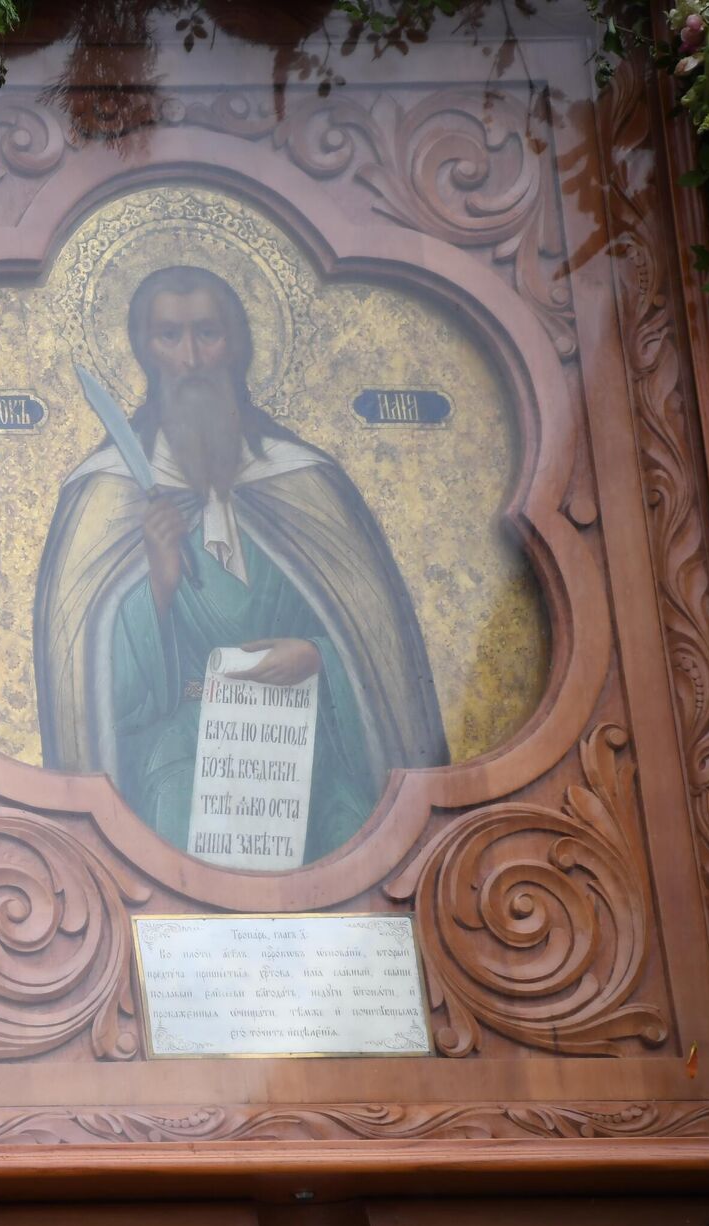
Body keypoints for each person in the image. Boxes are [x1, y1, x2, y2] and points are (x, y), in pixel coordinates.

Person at [34, 264, 448, 863]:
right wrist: (160, 581)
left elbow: (375, 643)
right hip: (185, 752)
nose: (192, 357)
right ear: (144, 351)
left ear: (239, 345)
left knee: (355, 839)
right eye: (169, 336)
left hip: (310, 743)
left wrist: (316, 655)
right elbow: (94, 684)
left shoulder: (305, 481)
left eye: (208, 333)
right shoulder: (107, 494)